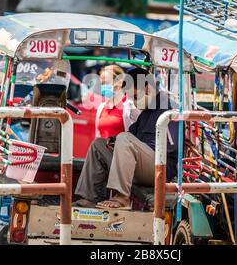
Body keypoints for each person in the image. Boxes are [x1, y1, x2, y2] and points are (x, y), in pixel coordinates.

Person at [74, 67, 178, 209]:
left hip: (160, 168)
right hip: (138, 164)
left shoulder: (169, 108)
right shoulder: (146, 112)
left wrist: (127, 143)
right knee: (98, 144)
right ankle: (90, 197)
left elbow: (171, 148)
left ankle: (122, 197)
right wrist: (113, 141)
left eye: (135, 97)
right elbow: (132, 136)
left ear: (147, 88)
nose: (134, 102)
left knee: (124, 138)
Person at [95, 65, 140, 138]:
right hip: (103, 148)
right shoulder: (101, 107)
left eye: (105, 83)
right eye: (101, 84)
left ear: (119, 82)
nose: (102, 86)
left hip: (122, 148)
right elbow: (97, 136)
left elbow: (138, 134)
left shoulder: (131, 106)